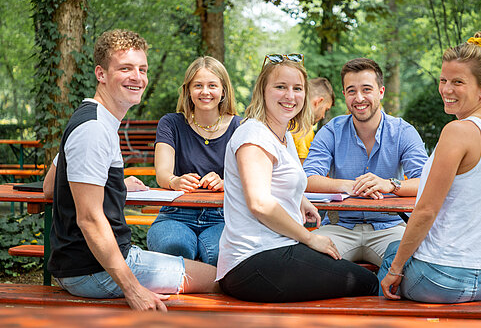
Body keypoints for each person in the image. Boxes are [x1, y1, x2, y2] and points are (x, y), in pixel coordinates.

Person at [43, 29, 218, 312]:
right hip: (94, 271)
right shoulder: (95, 129)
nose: (137, 77)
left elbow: (51, 186)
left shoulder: (90, 117)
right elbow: (89, 219)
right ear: (101, 73)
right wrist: (133, 290)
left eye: (142, 69)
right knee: (220, 279)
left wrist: (115, 184)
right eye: (125, 68)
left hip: (80, 265)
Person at [216, 53, 378, 302]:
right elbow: (259, 203)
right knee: (366, 283)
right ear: (263, 90)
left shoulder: (284, 134)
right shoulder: (254, 135)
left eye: (297, 88)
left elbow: (278, 181)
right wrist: (310, 238)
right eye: (280, 87)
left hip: (278, 248)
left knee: (352, 275)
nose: (290, 96)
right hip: (253, 260)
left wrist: (300, 200)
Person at [379, 32, 481, 304]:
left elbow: (426, 210)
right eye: (443, 80)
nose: (446, 89)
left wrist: (396, 269)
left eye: (458, 82)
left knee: (390, 260)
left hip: (443, 278)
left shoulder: (458, 131)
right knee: (396, 248)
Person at [303, 58, 428, 267]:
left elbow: (427, 181)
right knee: (305, 263)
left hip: (390, 227)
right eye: (351, 91)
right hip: (340, 227)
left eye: (366, 89)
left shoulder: (402, 132)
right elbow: (306, 179)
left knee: (413, 267)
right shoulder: (332, 131)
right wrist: (350, 185)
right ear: (344, 95)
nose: (359, 98)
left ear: (381, 91)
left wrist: (390, 184)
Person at [146, 56, 241, 265]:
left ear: (223, 90)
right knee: (174, 249)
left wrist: (226, 184)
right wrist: (175, 181)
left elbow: (250, 181)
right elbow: (162, 174)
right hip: (176, 214)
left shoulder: (240, 127)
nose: (205, 92)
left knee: (218, 256)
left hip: (224, 216)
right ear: (188, 90)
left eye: (212, 85)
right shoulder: (171, 123)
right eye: (198, 85)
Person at [292, 77, 335, 164]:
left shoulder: (288, 121)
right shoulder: (303, 129)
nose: (323, 116)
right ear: (318, 102)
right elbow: (303, 171)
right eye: (325, 110)